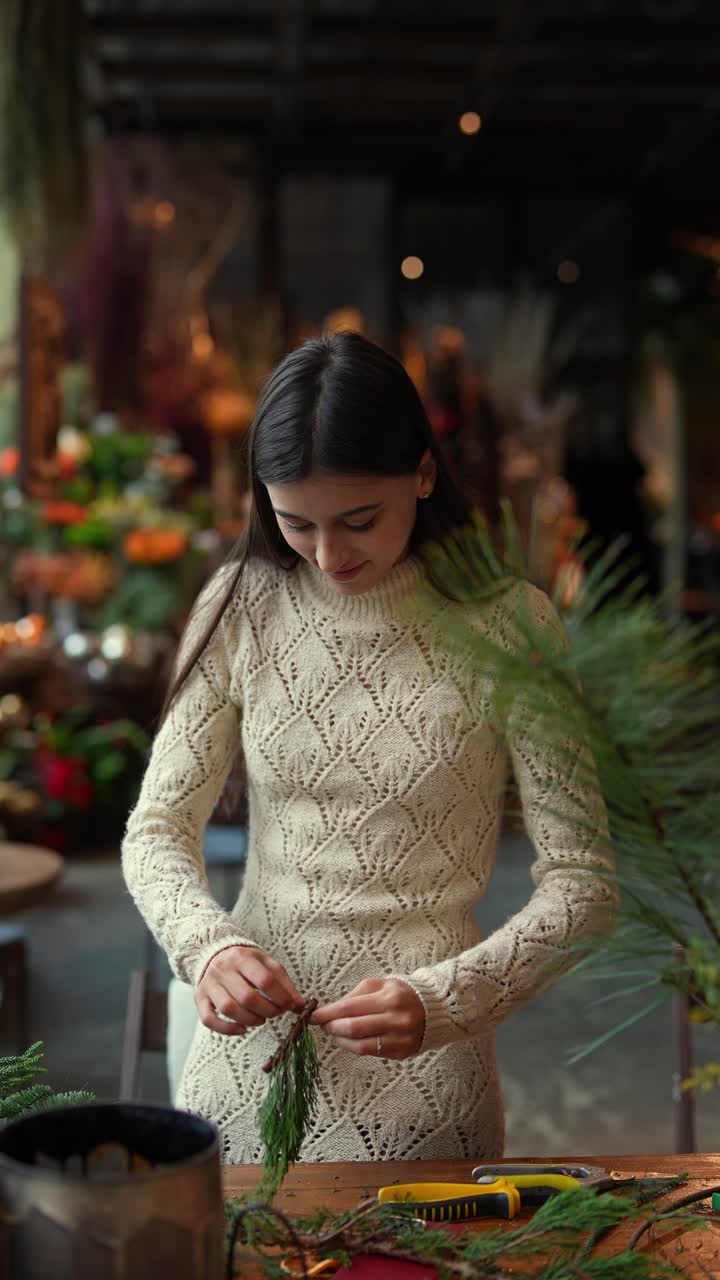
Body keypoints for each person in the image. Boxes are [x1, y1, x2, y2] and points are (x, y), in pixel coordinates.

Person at [122, 330, 617, 1164]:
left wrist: (447, 999)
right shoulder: (242, 602)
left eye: (358, 520)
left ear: (423, 474)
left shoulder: (512, 623)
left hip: (428, 1077)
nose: (328, 554)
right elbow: (156, 829)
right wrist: (209, 946)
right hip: (247, 1065)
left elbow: (586, 886)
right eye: (295, 524)